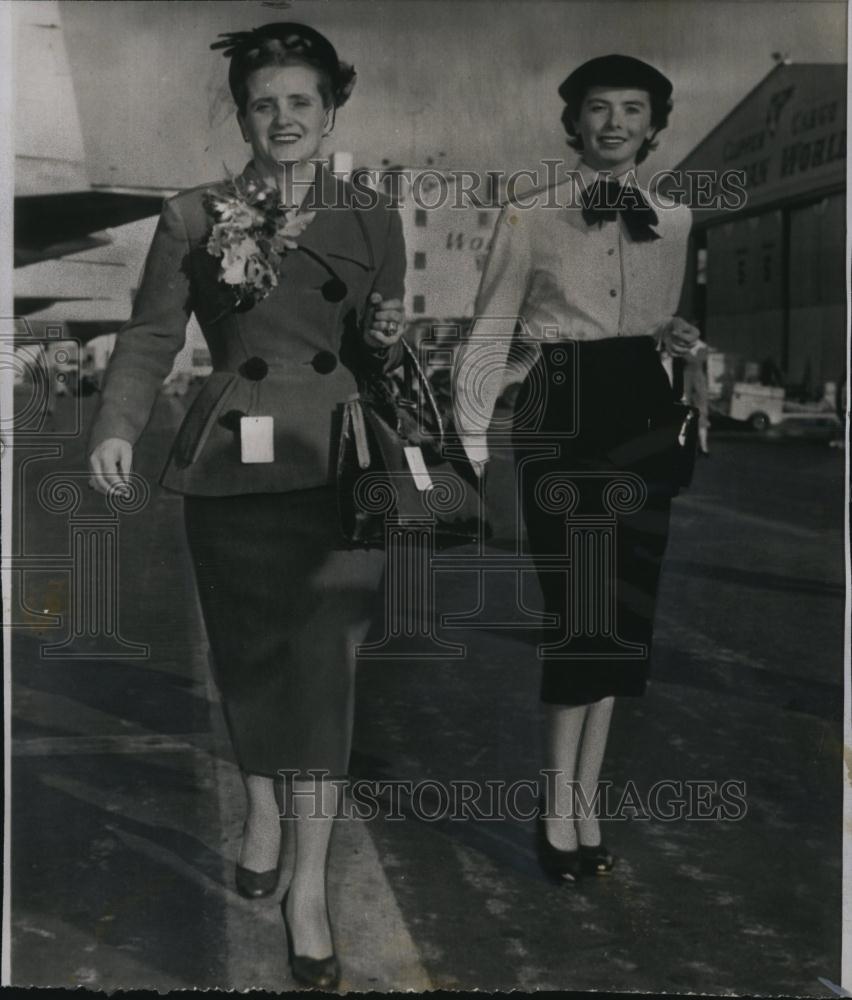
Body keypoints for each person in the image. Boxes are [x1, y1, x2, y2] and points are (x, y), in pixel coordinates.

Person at [87, 22, 405, 989]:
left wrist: (387, 336)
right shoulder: (193, 215)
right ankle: (263, 808)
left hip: (338, 466)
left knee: (324, 674)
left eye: (302, 101)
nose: (284, 120)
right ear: (242, 113)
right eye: (265, 103)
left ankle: (309, 889)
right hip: (233, 466)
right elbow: (148, 336)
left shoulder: (371, 213)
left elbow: (377, 350)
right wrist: (114, 427)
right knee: (251, 662)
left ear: (332, 107)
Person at [453, 54, 698, 882]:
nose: (616, 123)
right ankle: (555, 804)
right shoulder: (530, 216)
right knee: (579, 612)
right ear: (574, 123)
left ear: (655, 126)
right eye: (600, 108)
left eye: (634, 109)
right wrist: (471, 443)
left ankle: (587, 798)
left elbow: (661, 323)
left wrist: (681, 345)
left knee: (623, 616)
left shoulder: (677, 217)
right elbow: (491, 331)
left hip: (644, 412)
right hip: (563, 409)